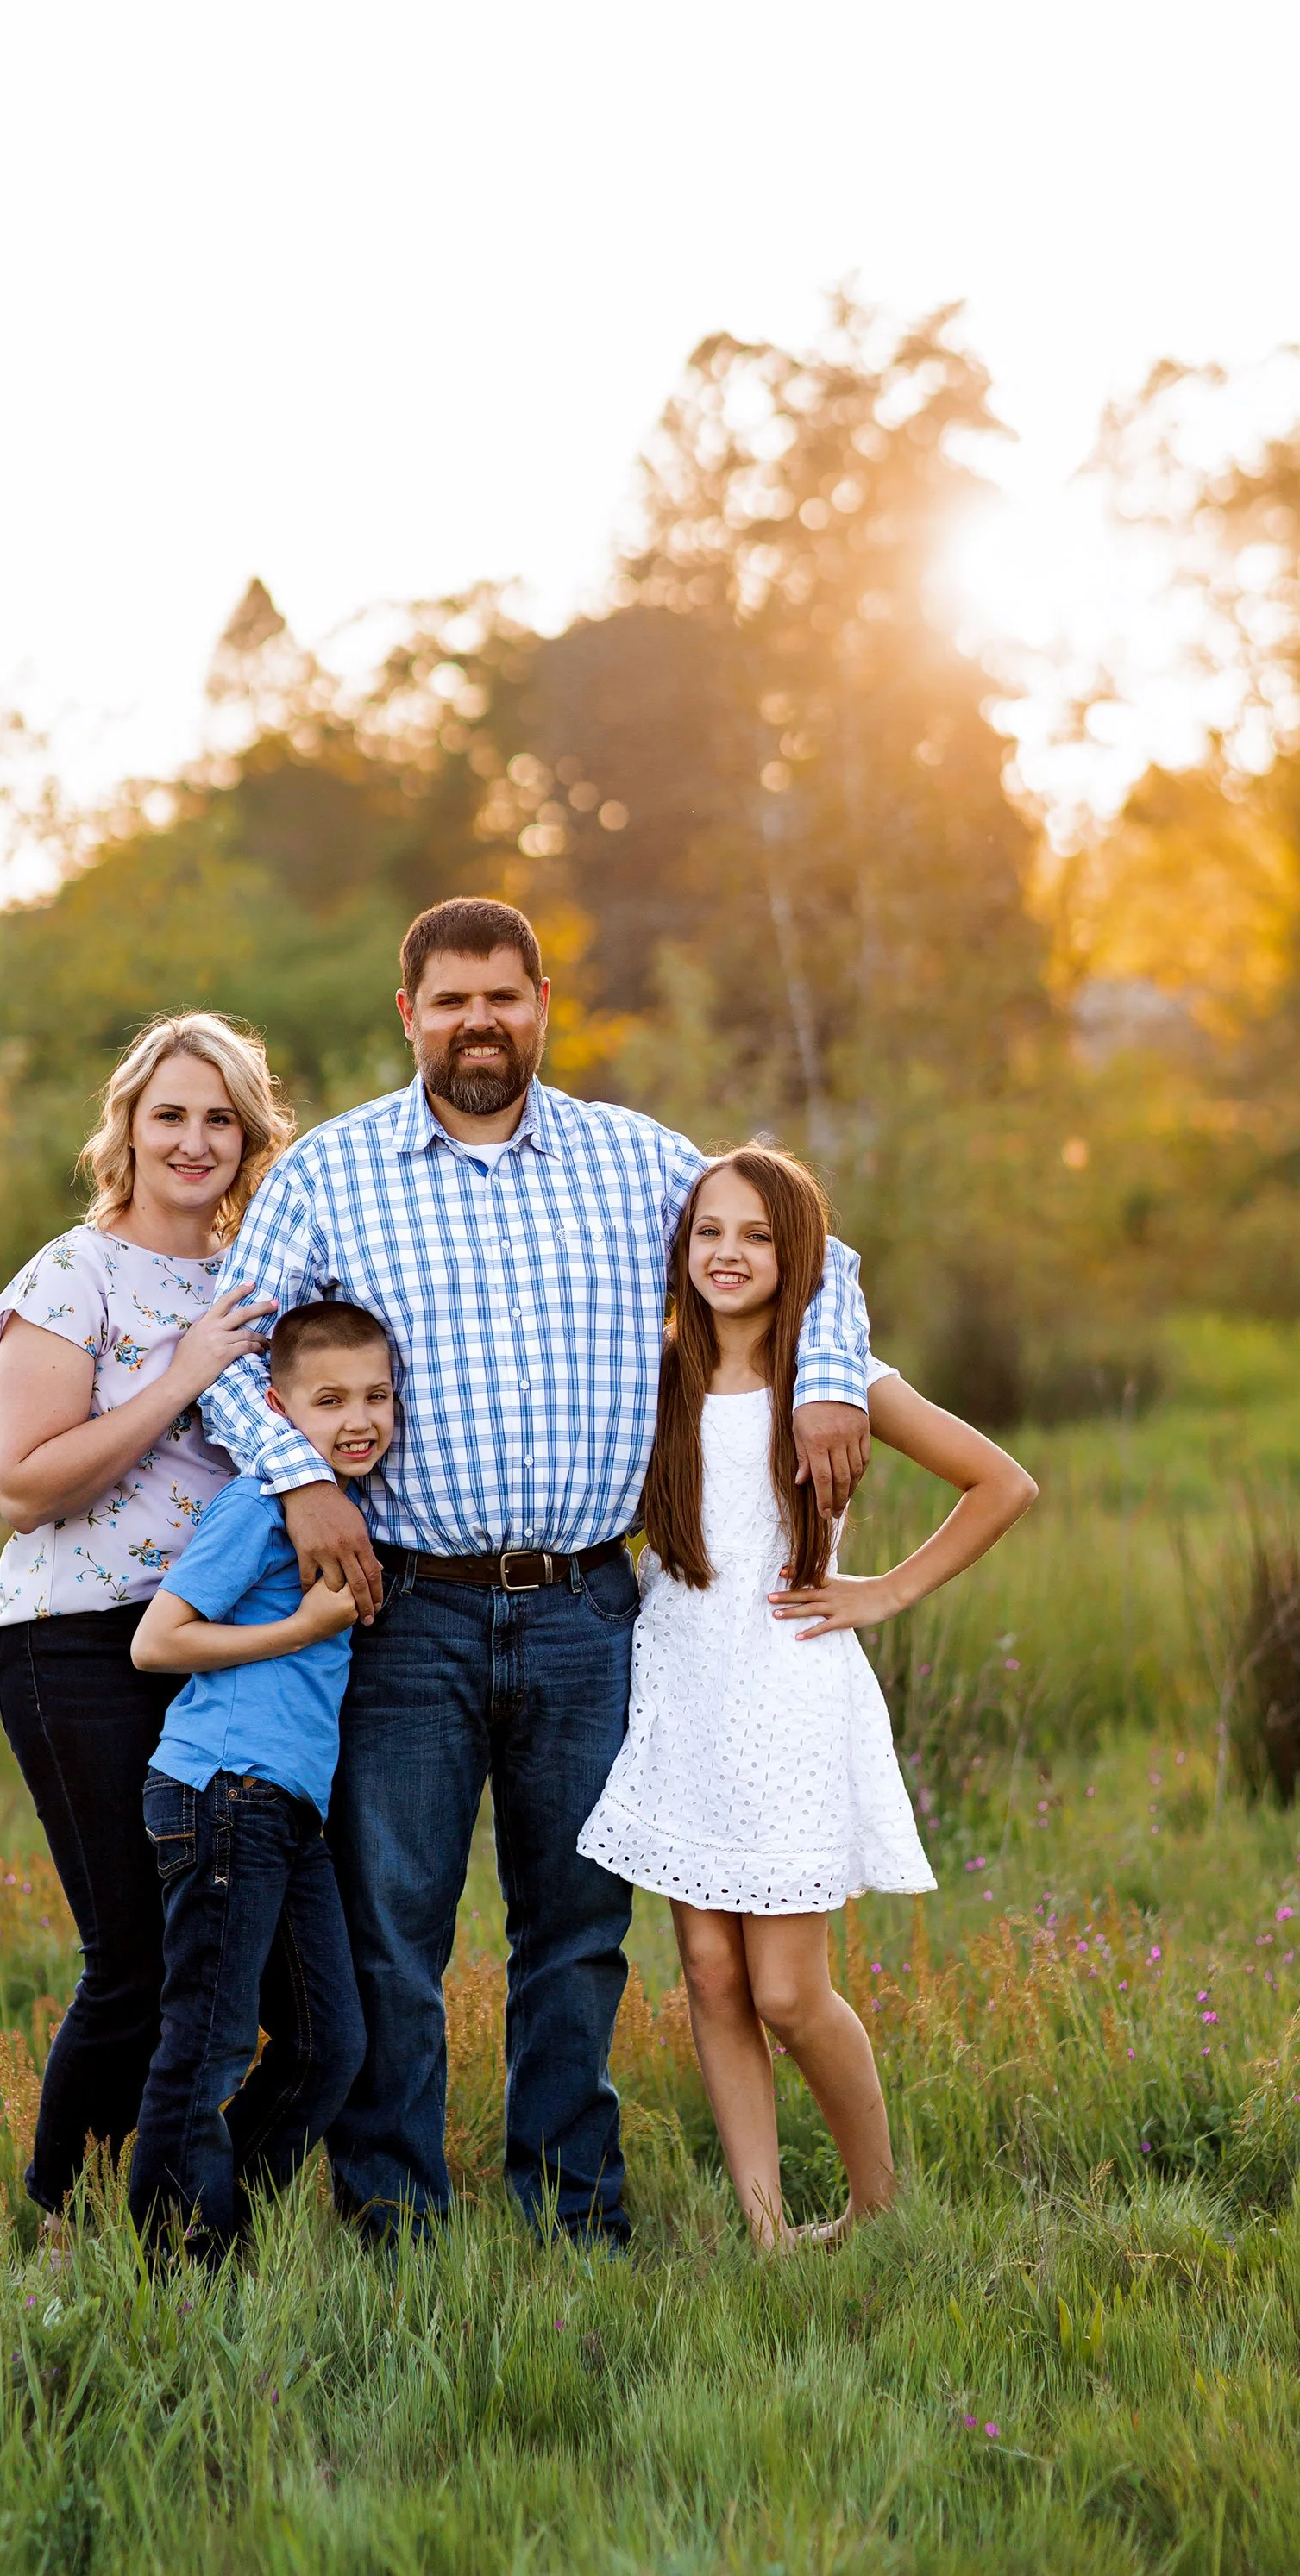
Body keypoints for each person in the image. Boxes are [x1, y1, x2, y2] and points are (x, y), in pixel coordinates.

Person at [198, 896, 875, 2244]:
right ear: (410, 1016)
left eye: (502, 996)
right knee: (396, 1936)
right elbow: (225, 1352)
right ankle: (394, 2223)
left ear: (543, 1003)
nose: (478, 1023)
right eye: (449, 1001)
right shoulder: (332, 1175)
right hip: (406, 1609)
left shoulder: (637, 1162)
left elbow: (815, 1253)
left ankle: (575, 2213)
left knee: (575, 1933)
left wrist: (831, 1384)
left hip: (589, 1606)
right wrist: (304, 1477)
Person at [578, 1147, 1037, 2251]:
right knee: (707, 1973)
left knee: (785, 1989)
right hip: (681, 1684)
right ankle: (767, 2226)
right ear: (680, 1252)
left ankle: (876, 2200)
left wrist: (883, 1591)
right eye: (708, 1234)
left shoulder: (836, 1378)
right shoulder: (652, 1373)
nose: (728, 1255)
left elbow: (1002, 1482)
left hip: (784, 1686)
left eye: (756, 1236)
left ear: (799, 1256)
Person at [0, 1013, 286, 2216]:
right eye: (171, 1114)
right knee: (135, 1960)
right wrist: (182, 1378)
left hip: (218, 1647)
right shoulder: (76, 1272)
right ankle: (59, 2226)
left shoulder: (253, 1279)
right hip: (80, 1644)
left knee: (232, 1964)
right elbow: (22, 1485)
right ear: (129, 1126)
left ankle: (182, 2211)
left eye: (221, 1117)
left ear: (251, 1135)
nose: (195, 1140)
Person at [126, 1302, 395, 2257]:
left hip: (285, 1808)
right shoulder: (259, 1503)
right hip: (221, 1788)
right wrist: (299, 1632)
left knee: (330, 2046)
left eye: (376, 1397)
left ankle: (219, 2224)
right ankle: (179, 2271)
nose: (357, 1418)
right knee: (207, 2043)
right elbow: (155, 1641)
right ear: (277, 1410)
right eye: (328, 1400)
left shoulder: (348, 1503)